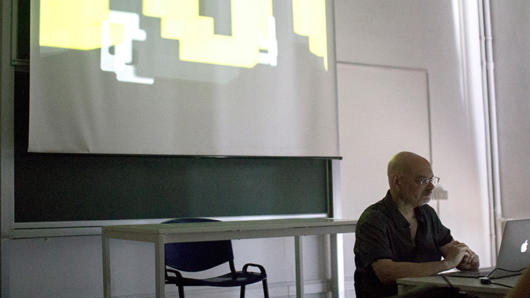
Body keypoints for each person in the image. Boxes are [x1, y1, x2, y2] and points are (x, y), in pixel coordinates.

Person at [354, 152, 479, 298]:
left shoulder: (427, 214)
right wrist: (447, 264)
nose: (431, 187)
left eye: (432, 180)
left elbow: (450, 249)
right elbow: (386, 273)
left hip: (429, 292)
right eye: (422, 180)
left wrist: (465, 259)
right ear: (397, 182)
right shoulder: (373, 219)